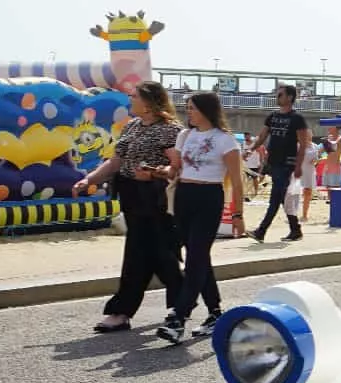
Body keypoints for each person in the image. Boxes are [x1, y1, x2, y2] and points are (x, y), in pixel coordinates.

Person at [75, 81, 184, 333]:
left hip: (156, 198)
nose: (129, 100)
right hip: (132, 196)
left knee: (158, 254)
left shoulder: (170, 130)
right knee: (142, 254)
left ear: (148, 102)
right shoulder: (132, 127)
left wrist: (154, 173)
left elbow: (177, 168)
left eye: (133, 96)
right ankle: (176, 300)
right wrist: (89, 179)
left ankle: (173, 303)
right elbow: (115, 162)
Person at [156, 92, 244, 342]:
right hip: (184, 195)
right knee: (198, 256)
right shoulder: (185, 135)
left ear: (206, 110)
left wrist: (238, 214)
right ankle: (215, 312)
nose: (188, 112)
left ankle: (178, 317)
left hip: (209, 197)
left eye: (192, 108)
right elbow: (176, 170)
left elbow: (237, 182)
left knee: (195, 258)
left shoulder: (224, 140)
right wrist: (157, 172)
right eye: (187, 108)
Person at [251, 84, 310, 242]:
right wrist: (249, 149)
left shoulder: (297, 118)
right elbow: (262, 137)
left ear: (290, 97)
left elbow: (303, 144)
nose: (277, 98)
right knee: (282, 197)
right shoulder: (272, 116)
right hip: (273, 161)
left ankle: (261, 230)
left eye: (280, 95)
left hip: (286, 163)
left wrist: (298, 166)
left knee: (275, 197)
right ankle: (295, 229)